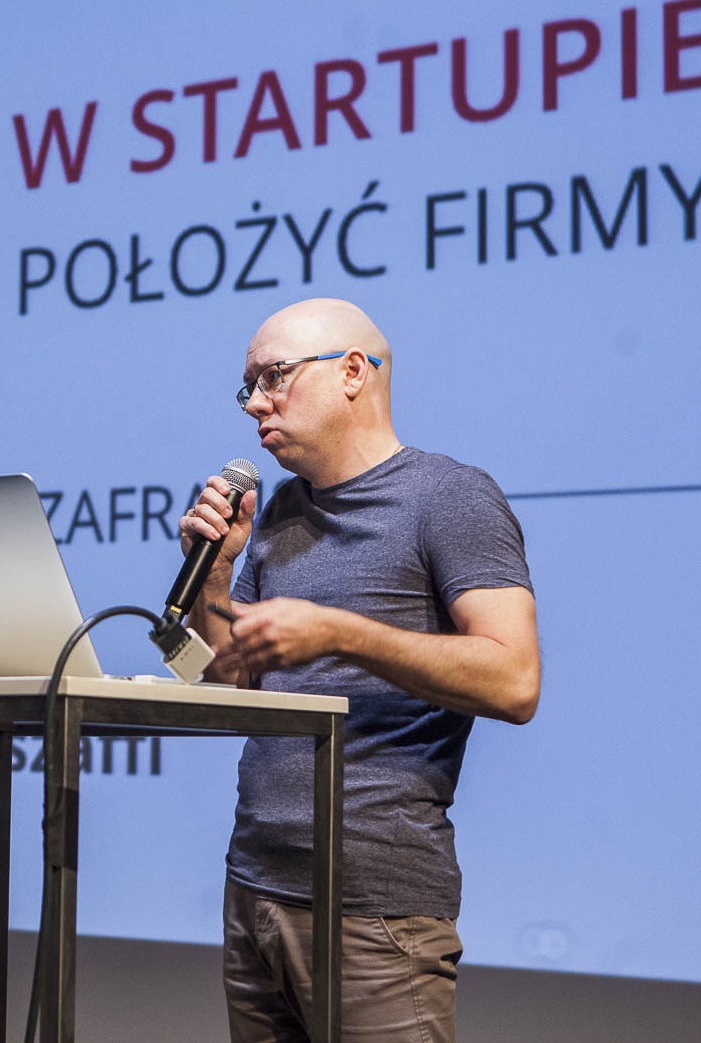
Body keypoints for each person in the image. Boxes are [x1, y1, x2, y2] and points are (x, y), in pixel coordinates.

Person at [179, 298, 540, 1043]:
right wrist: (214, 575)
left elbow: (514, 680)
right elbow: (229, 685)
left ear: (351, 372)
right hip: (254, 888)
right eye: (248, 387)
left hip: (375, 910)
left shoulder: (448, 495)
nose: (256, 402)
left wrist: (340, 633)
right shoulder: (281, 509)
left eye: (274, 376)